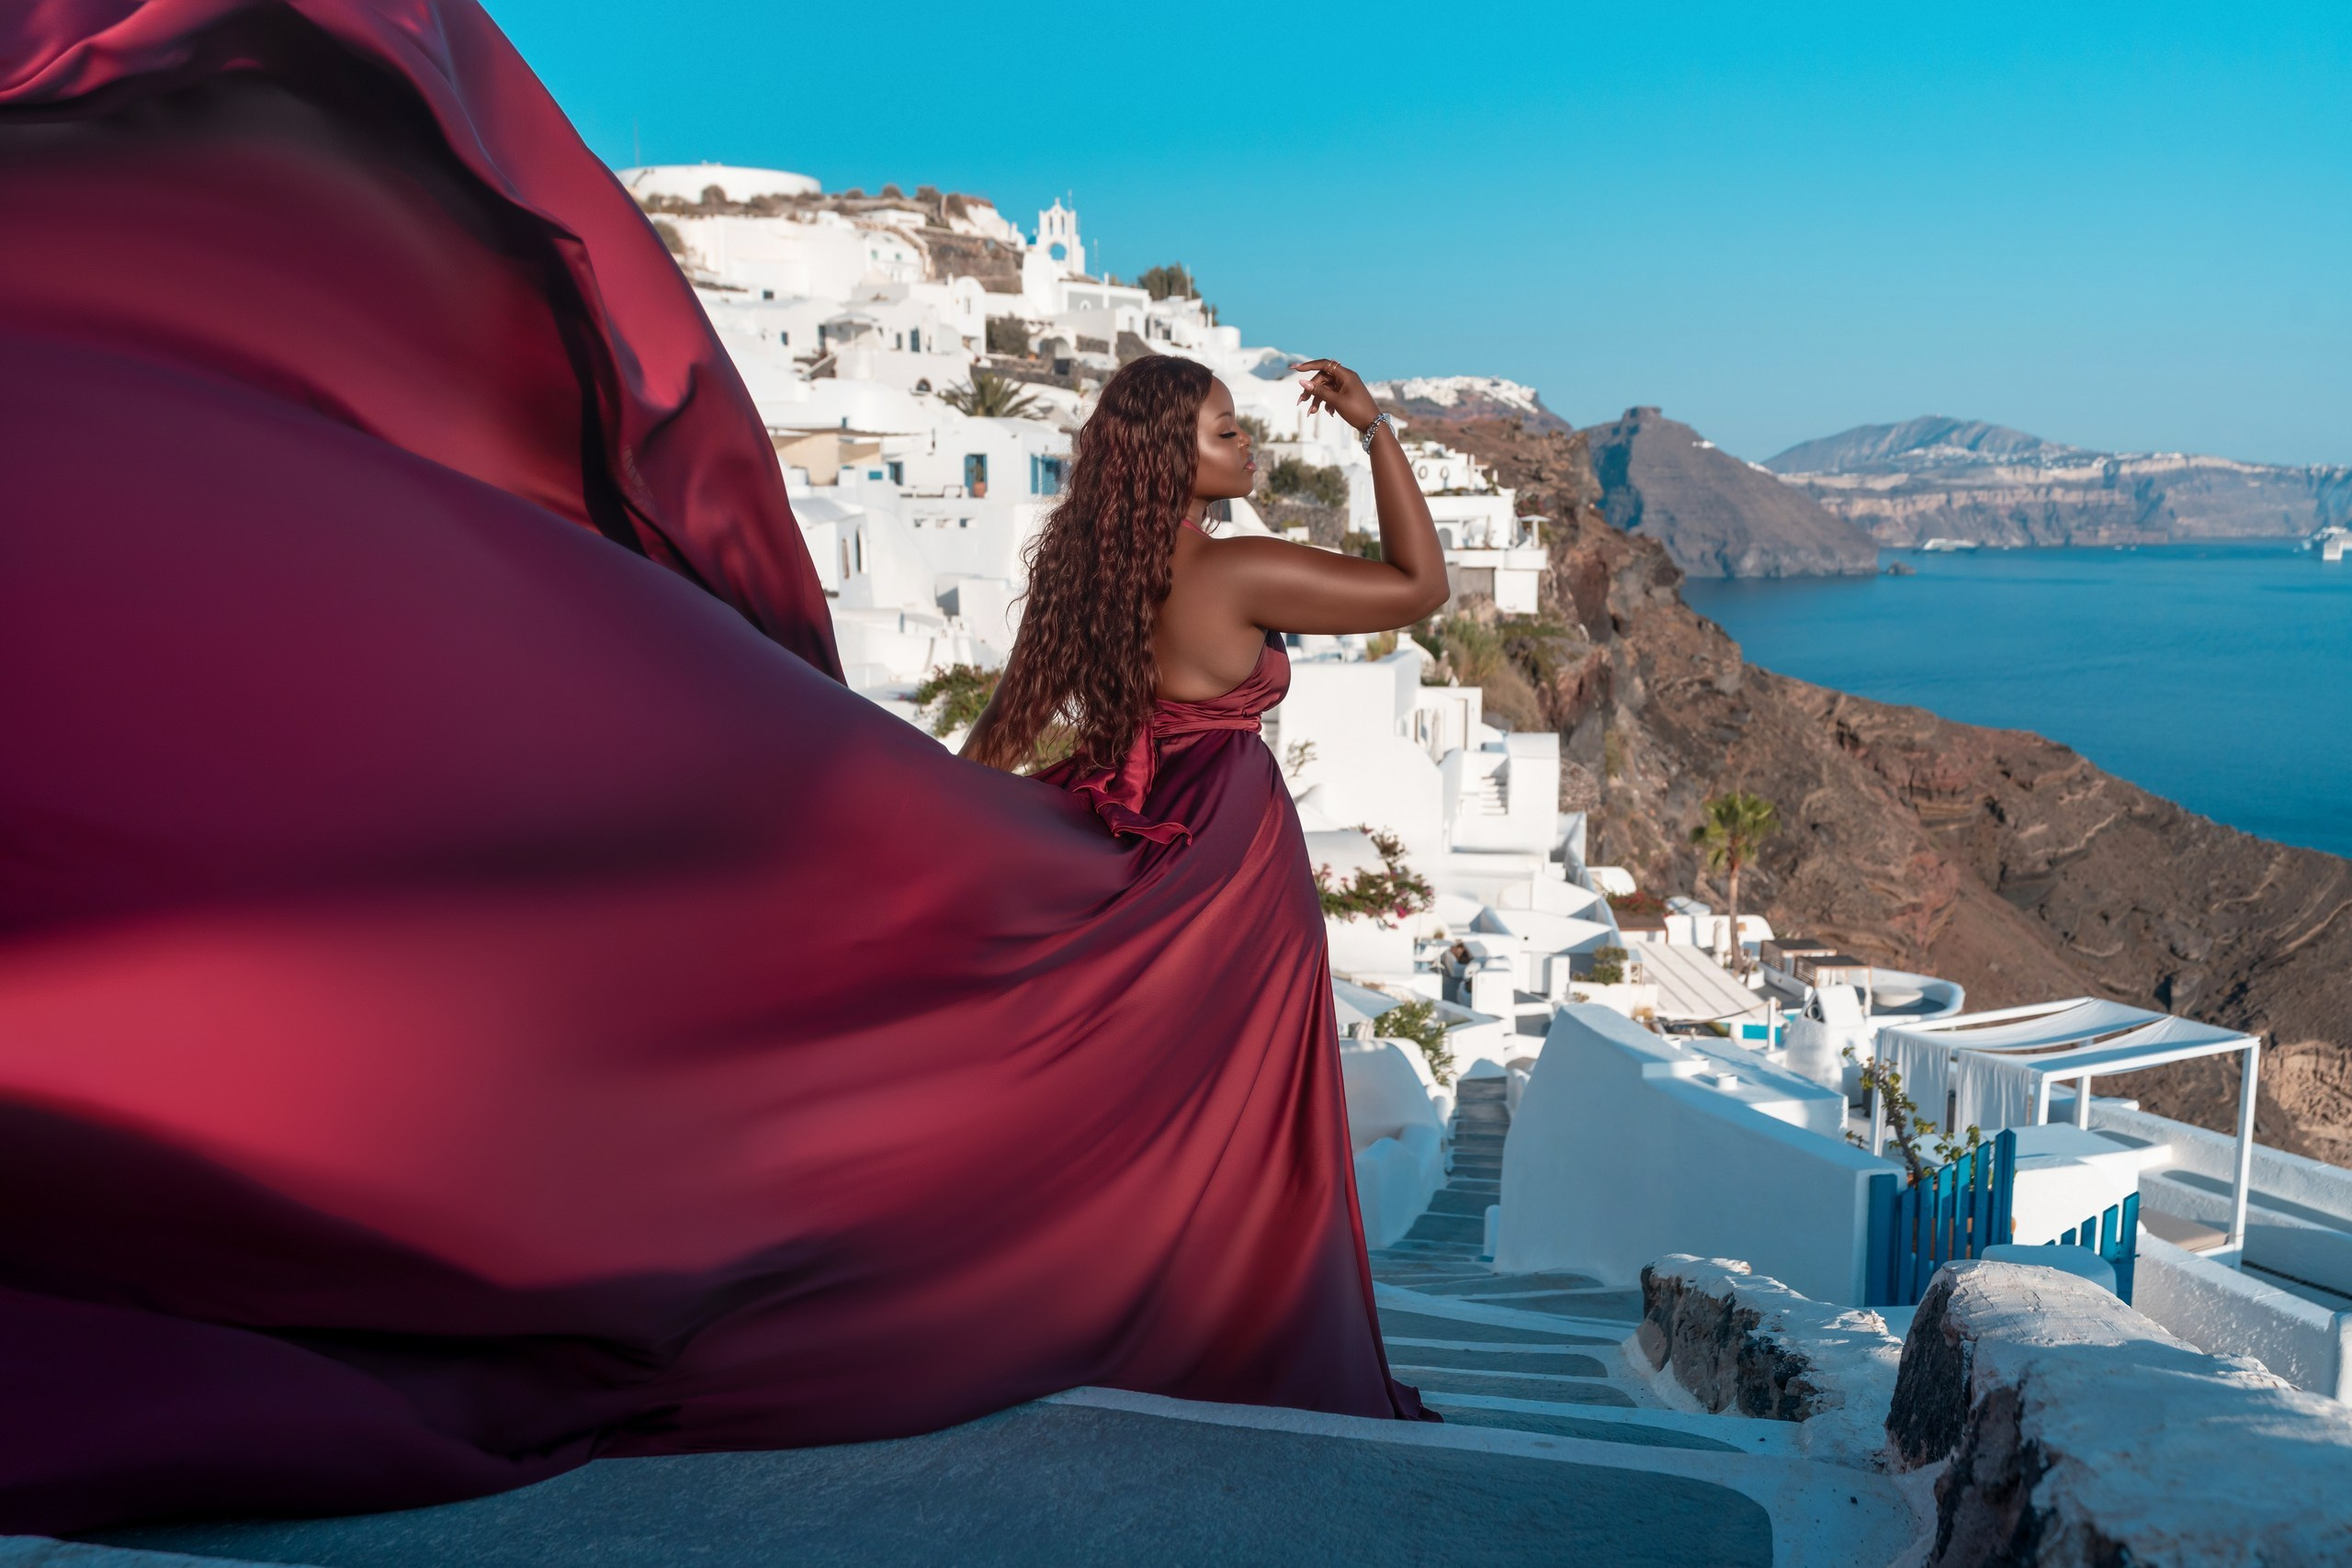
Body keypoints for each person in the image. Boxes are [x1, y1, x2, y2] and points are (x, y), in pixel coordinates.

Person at [0, 0, 1443, 1537]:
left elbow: (1011, 729)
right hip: (1219, 870)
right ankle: (1213, 1332)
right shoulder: (1234, 576)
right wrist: (1377, 436)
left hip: (1128, 841)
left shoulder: (1096, 571)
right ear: (1184, 457)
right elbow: (1418, 589)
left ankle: (1157, 1310)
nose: (1246, 443)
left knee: (1156, 1136)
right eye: (1229, 429)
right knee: (1222, 1141)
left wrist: (935, 836)